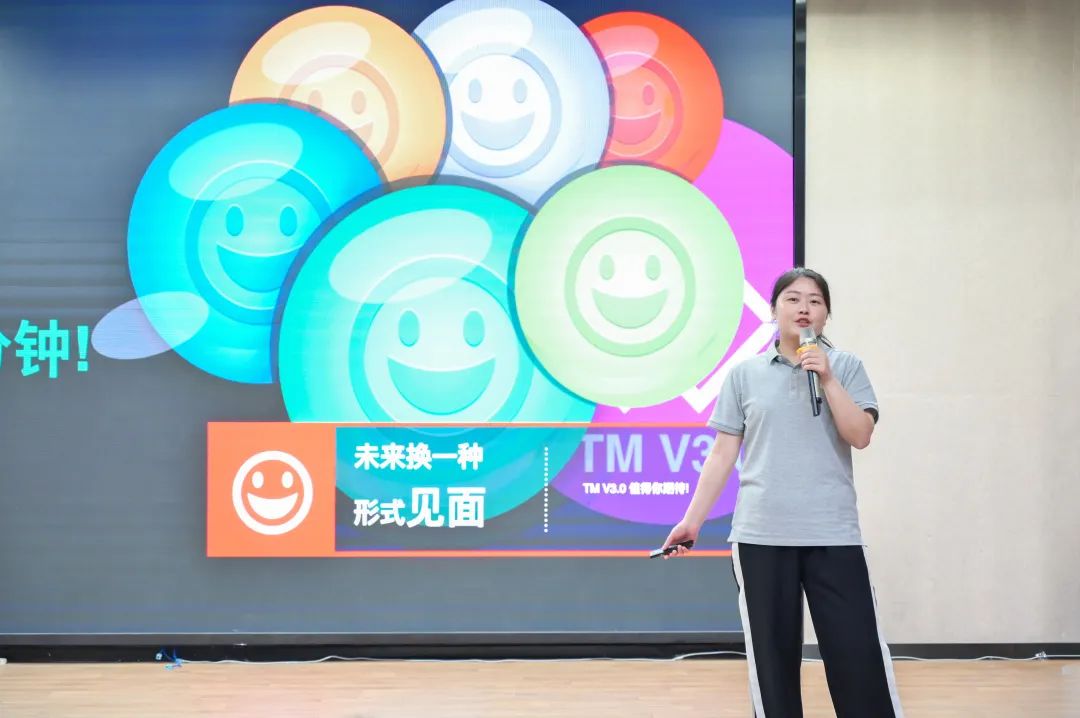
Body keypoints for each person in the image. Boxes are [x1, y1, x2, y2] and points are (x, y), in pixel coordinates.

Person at [662, 267, 904, 718]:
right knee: (772, 661)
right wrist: (691, 522)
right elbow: (722, 455)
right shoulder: (744, 375)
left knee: (858, 655)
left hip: (833, 533)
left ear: (826, 313)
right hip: (761, 535)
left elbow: (860, 435)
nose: (804, 308)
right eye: (792, 299)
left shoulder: (847, 366)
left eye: (815, 300)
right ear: (774, 310)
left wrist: (827, 378)